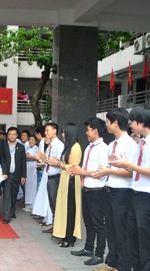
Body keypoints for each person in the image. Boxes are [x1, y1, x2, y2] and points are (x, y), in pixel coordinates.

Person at [92, 108, 137, 271]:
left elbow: (131, 172)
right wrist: (103, 171)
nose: (106, 125)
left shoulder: (131, 145)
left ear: (115, 122)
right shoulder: (111, 144)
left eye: (107, 122)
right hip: (109, 191)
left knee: (121, 232)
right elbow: (110, 168)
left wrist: (108, 171)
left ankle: (123, 266)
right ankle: (111, 263)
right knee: (110, 230)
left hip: (123, 194)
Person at [109, 104, 150, 270]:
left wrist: (128, 165)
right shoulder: (141, 143)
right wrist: (122, 163)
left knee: (144, 240)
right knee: (132, 237)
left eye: (132, 121)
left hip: (146, 196)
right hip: (135, 194)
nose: (130, 124)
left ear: (141, 122)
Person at [69, 117, 109, 266]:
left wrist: (82, 171)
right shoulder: (89, 147)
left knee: (99, 224)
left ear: (95, 130)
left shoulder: (103, 148)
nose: (86, 132)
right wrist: (78, 171)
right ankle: (88, 248)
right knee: (88, 222)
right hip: (86, 189)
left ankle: (99, 254)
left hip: (97, 191)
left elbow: (101, 172)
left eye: (88, 129)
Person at [52, 123, 82, 248]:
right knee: (65, 209)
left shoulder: (76, 147)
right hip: (65, 180)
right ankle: (65, 235)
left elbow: (74, 167)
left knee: (70, 210)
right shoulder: (69, 146)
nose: (62, 134)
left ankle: (70, 238)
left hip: (71, 181)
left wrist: (58, 164)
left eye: (64, 132)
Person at [37, 122, 64, 234]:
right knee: (52, 203)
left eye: (48, 130)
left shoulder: (59, 145)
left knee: (55, 203)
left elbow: (59, 162)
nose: (46, 133)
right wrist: (45, 160)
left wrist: (45, 159)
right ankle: (54, 225)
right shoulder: (50, 145)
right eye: (45, 131)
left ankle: (58, 227)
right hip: (49, 176)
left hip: (56, 177)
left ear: (54, 131)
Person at [1, 127, 26, 223]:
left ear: (17, 136)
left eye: (14, 134)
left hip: (17, 174)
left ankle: (12, 210)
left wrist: (24, 175)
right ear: (7, 136)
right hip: (6, 175)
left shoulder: (21, 147)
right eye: (10, 134)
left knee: (14, 195)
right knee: (7, 195)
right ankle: (6, 216)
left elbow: (23, 162)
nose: (12, 136)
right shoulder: (3, 146)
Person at [24, 135, 39, 211]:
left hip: (33, 166)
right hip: (27, 167)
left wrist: (30, 156)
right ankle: (28, 204)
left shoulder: (36, 149)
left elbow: (37, 158)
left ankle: (32, 205)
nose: (31, 141)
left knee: (32, 186)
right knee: (28, 186)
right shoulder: (28, 148)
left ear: (36, 141)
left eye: (33, 140)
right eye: (30, 139)